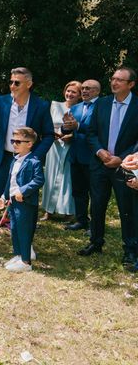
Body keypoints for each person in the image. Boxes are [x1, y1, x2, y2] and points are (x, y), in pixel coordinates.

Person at [0, 67, 53, 255]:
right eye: (11, 82)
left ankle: (26, 244)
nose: (12, 85)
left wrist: (34, 157)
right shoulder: (2, 102)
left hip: (27, 161)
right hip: (3, 157)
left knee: (25, 203)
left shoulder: (40, 106)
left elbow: (48, 135)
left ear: (29, 84)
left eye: (17, 82)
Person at [80, 67, 138, 266]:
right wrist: (100, 152)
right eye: (113, 79)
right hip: (100, 164)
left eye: (120, 80)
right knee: (96, 205)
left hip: (126, 166)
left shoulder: (137, 106)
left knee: (127, 208)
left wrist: (121, 158)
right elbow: (91, 133)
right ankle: (95, 242)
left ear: (131, 84)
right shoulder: (103, 103)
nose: (114, 83)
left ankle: (130, 250)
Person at [2, 127, 45, 272]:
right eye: (13, 141)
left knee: (24, 230)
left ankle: (26, 262)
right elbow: (10, 181)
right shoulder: (14, 160)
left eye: (18, 141)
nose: (14, 144)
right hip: (13, 202)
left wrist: (22, 191)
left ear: (29, 144)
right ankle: (18, 255)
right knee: (14, 228)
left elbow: (39, 180)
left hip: (25, 203)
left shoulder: (34, 161)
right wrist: (4, 196)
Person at [62, 80, 102, 231]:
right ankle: (81, 220)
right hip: (76, 155)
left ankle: (95, 225)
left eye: (88, 89)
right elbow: (67, 129)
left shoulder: (102, 107)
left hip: (94, 156)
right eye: (83, 88)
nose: (84, 91)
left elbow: (97, 129)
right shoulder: (76, 107)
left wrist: (77, 126)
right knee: (78, 191)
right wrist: (65, 126)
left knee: (95, 193)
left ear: (97, 91)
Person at [40, 81, 82, 220]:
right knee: (50, 176)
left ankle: (69, 212)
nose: (69, 94)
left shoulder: (81, 109)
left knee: (67, 179)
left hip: (70, 147)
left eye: (74, 92)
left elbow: (83, 129)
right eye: (68, 90)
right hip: (54, 146)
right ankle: (48, 210)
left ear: (80, 95)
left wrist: (72, 136)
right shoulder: (54, 105)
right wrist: (52, 133)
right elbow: (45, 124)